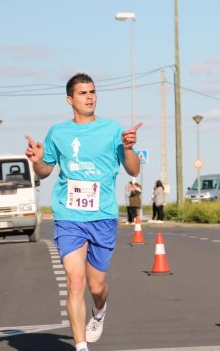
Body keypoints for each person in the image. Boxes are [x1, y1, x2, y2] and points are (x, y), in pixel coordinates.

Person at [25, 72, 141, 351]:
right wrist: (38, 161)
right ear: (70, 99)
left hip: (102, 215)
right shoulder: (58, 133)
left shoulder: (112, 129)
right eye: (83, 93)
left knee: (96, 287)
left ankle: (99, 311)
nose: (90, 97)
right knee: (74, 282)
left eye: (92, 92)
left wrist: (127, 148)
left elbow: (134, 169)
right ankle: (80, 347)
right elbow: (45, 170)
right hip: (69, 216)